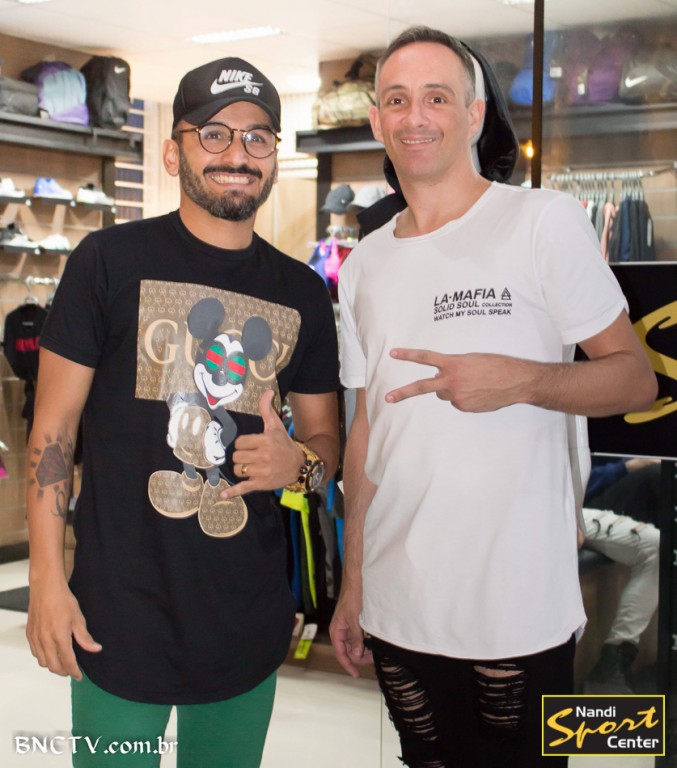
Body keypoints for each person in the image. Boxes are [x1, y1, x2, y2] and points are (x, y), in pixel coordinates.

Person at [329, 26, 657, 768]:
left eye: (436, 97)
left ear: (474, 114)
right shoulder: (364, 265)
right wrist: (352, 582)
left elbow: (634, 378)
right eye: (396, 100)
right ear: (376, 119)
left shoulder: (542, 222)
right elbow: (366, 432)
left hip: (516, 600)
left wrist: (521, 380)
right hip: (398, 596)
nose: (415, 116)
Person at [26, 56, 340, 768]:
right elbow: (53, 432)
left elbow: (327, 442)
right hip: (116, 617)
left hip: (245, 621)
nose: (237, 153)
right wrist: (46, 578)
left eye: (257, 137)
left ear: (274, 156)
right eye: (214, 134)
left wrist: (300, 464)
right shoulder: (106, 261)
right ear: (174, 152)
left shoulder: (301, 292)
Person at [581, 505, 659, 694]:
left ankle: (613, 662)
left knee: (657, 544)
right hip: (534, 515)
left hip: (569, 508)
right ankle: (607, 672)